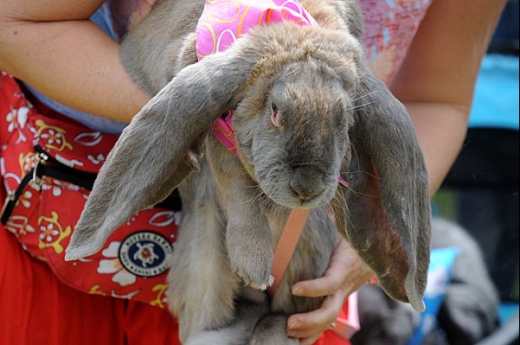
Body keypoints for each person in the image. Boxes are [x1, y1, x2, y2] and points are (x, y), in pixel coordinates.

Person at [0, 0, 507, 344]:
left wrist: (372, 234)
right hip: (60, 211)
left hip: (295, 244)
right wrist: (210, 109)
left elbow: (435, 99)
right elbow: (15, 22)